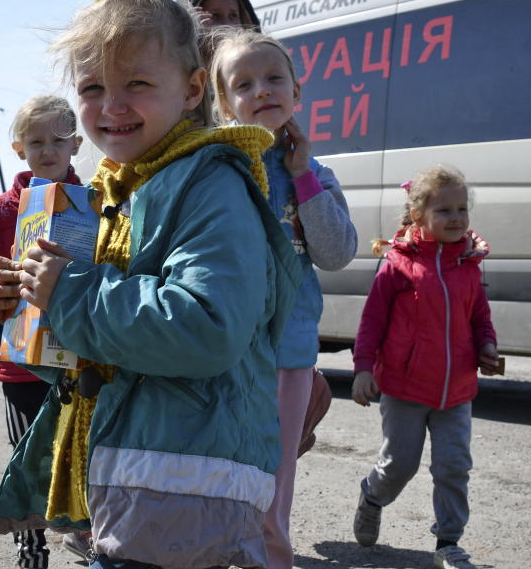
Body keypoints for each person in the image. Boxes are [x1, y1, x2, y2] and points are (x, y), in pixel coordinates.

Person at [0, 0, 302, 569]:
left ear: (190, 90)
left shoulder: (211, 184)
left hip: (188, 484)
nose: (113, 105)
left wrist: (71, 295)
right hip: (140, 476)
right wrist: (25, 316)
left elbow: (206, 327)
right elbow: (103, 360)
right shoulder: (119, 189)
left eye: (136, 83)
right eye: (93, 88)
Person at [209, 29, 358, 569]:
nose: (263, 90)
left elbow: (338, 252)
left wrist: (301, 179)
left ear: (297, 92)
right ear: (225, 104)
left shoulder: (316, 175)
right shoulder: (217, 171)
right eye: (244, 84)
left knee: (275, 478)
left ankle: (271, 558)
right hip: (226, 347)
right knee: (222, 468)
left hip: (290, 352)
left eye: (275, 79)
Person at [350, 165, 501, 569]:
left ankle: (448, 542)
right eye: (445, 211)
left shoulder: (469, 264)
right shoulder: (398, 264)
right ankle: (372, 496)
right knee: (400, 464)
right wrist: (364, 368)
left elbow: (479, 315)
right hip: (405, 387)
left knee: (454, 466)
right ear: (419, 217)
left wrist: (486, 344)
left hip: (457, 390)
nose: (456, 218)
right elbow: (372, 321)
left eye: (461, 209)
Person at [0, 94, 82, 569]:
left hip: (78, 355)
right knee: (28, 454)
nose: (47, 150)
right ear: (18, 148)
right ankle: (30, 549)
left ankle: (90, 537)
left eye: (57, 140)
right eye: (36, 141)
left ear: (75, 144)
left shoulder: (98, 205)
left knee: (80, 451)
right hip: (18, 361)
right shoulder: (0, 213)